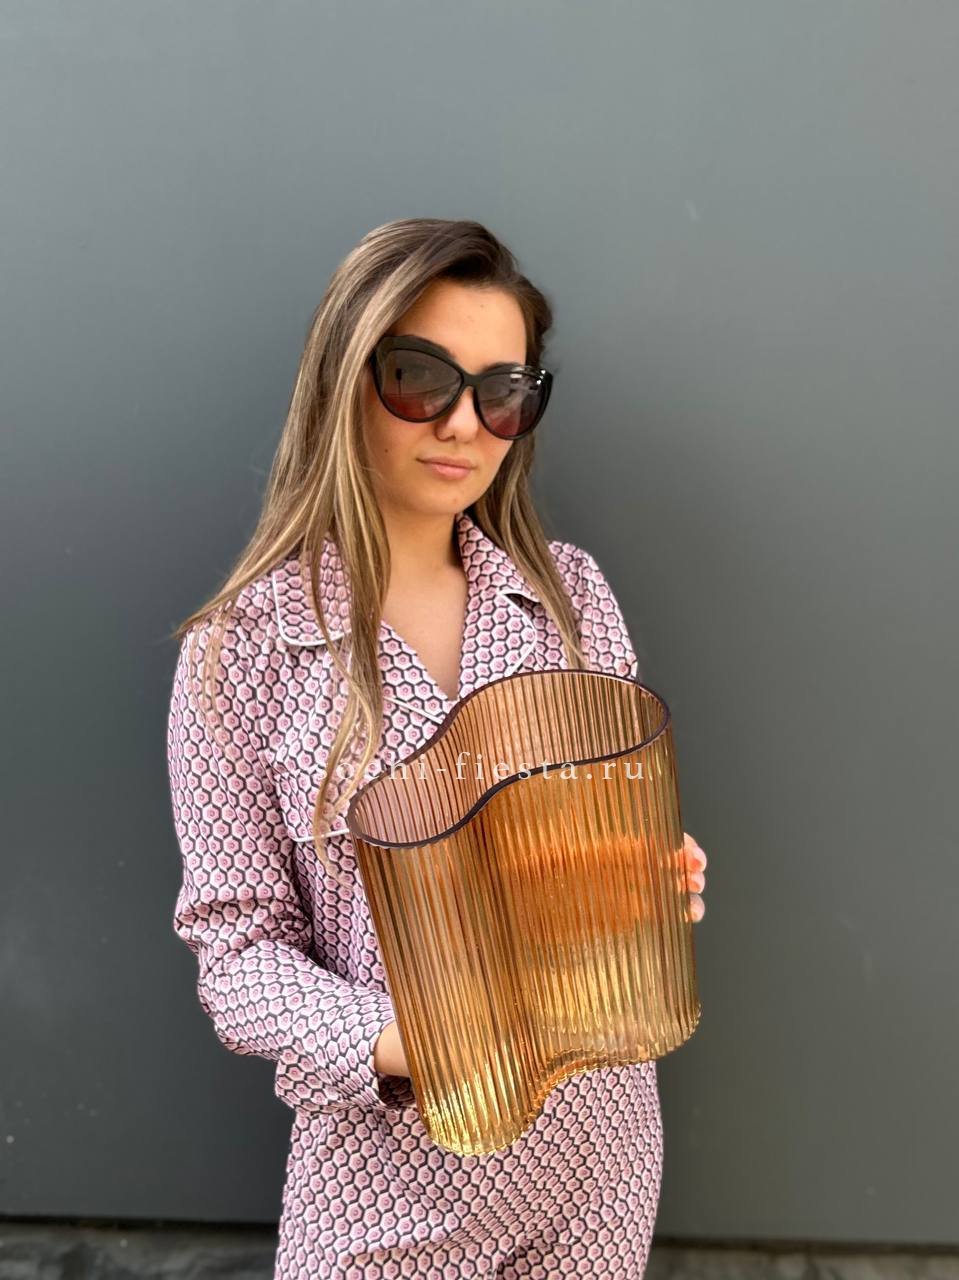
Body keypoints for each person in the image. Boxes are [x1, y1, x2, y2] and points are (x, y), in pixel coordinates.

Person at [165, 217, 708, 1279]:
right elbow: (237, 953)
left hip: (596, 1158)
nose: (464, 422)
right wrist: (399, 1039)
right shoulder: (241, 648)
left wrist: (648, 877)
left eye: (503, 391)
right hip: (386, 1185)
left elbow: (605, 855)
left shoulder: (569, 597)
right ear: (345, 379)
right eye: (420, 377)